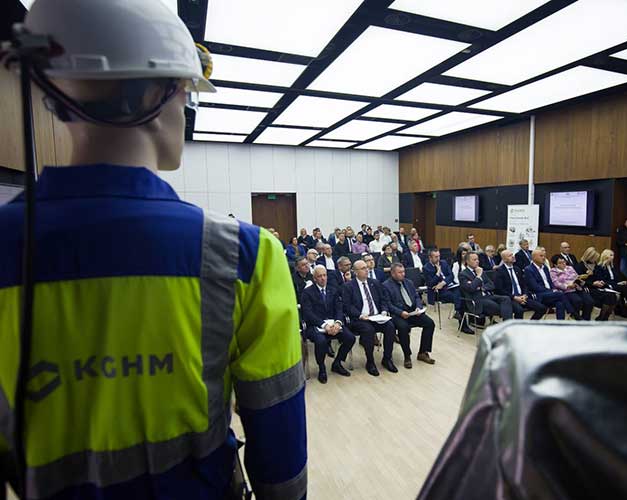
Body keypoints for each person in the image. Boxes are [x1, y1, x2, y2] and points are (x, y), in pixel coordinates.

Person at [0, 1, 306, 497]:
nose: (186, 110)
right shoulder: (244, 255)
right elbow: (281, 452)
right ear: (156, 93)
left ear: (55, 95)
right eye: (186, 92)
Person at [343, 260, 399, 376]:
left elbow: (383, 299)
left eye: (366, 268)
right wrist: (360, 315)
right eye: (363, 268)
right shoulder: (349, 286)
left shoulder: (374, 283)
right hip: (360, 318)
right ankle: (370, 362)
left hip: (377, 316)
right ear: (355, 272)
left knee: (390, 326)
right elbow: (347, 306)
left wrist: (384, 311)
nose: (366, 270)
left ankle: (387, 358)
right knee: (368, 330)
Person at [300, 266, 355, 384]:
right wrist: (323, 325)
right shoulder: (307, 292)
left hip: (333, 324)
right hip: (315, 325)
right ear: (314, 278)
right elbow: (308, 313)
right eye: (319, 276)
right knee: (321, 341)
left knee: (350, 338)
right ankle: (322, 367)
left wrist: (338, 322)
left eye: (324, 275)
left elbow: (339, 309)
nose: (323, 278)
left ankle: (337, 363)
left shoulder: (333, 290)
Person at [383, 264, 436, 368]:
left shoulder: (409, 282)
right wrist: (400, 312)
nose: (403, 274)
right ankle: (407, 356)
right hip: (398, 314)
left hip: (412, 312)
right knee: (403, 327)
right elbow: (388, 304)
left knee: (430, 323)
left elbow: (416, 297)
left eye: (403, 272)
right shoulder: (386, 285)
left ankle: (423, 352)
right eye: (400, 272)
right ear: (392, 273)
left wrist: (419, 307)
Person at [459, 252, 513, 327]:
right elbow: (471, 288)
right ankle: (507, 326)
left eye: (477, 259)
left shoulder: (481, 270)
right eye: (474, 260)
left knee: (506, 299)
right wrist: (478, 276)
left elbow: (491, 285)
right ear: (467, 261)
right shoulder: (463, 274)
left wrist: (481, 288)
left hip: (487, 296)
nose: (477, 261)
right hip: (476, 300)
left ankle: (507, 326)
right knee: (504, 308)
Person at [494, 250, 547, 320]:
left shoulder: (517, 269)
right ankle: (517, 326)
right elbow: (499, 290)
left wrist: (524, 295)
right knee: (519, 310)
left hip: (522, 297)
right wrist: (514, 297)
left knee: (541, 308)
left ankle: (529, 324)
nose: (513, 256)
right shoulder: (499, 271)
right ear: (504, 259)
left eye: (512, 254)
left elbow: (524, 284)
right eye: (510, 256)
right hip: (510, 298)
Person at [524, 248, 575, 320]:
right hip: (539, 295)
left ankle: (561, 324)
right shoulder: (528, 269)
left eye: (544, 256)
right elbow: (535, 287)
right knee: (560, 294)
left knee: (560, 303)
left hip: (550, 294)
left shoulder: (545, 267)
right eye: (541, 256)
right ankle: (573, 314)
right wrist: (551, 291)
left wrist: (553, 289)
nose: (543, 258)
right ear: (534, 257)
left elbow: (550, 282)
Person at [574, 247, 617, 321]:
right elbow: (579, 281)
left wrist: (600, 281)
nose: (595, 260)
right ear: (589, 256)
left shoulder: (595, 265)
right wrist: (593, 283)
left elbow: (598, 276)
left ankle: (603, 317)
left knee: (613, 296)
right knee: (607, 297)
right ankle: (601, 319)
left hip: (596, 287)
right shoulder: (580, 266)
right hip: (587, 288)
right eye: (594, 258)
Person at [550, 254, 595, 320]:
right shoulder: (553, 271)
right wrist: (568, 285)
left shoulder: (570, 268)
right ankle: (576, 318)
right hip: (566, 291)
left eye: (564, 262)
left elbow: (576, 276)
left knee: (590, 301)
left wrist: (580, 279)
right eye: (560, 263)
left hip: (577, 287)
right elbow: (556, 283)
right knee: (578, 301)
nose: (563, 264)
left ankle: (585, 320)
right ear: (555, 265)